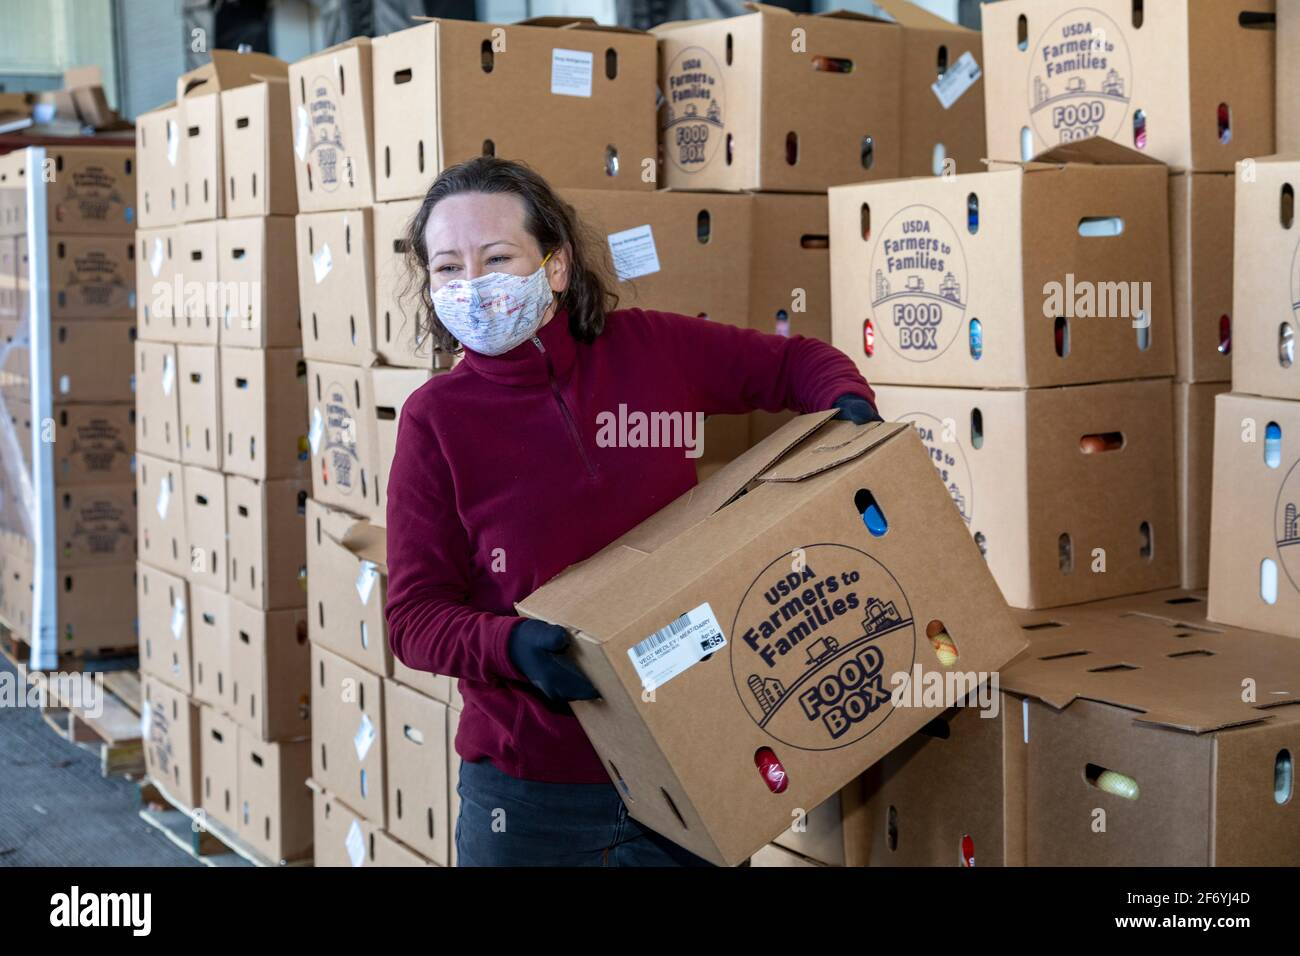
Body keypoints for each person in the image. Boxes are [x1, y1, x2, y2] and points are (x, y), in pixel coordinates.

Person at [384, 156, 879, 867]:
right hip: (530, 800)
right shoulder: (436, 421)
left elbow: (795, 362)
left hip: (689, 768)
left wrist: (850, 405)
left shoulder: (649, 350)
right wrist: (510, 647)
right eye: (448, 269)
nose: (472, 287)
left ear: (555, 267)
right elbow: (414, 619)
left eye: (496, 258)